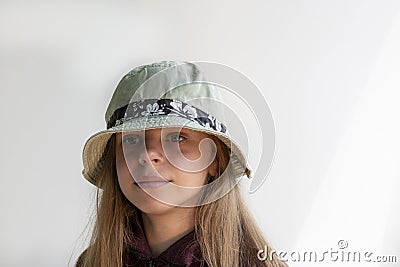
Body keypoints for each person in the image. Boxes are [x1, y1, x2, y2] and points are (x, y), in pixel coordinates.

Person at [76, 61, 286, 266]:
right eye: (131, 140)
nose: (149, 154)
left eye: (176, 138)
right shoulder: (92, 262)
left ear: (214, 161)